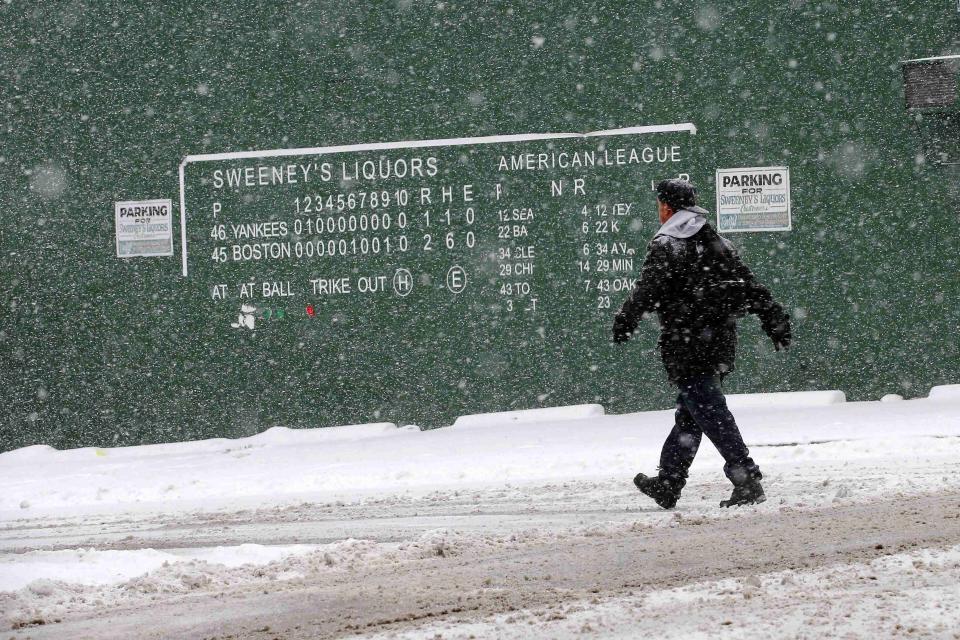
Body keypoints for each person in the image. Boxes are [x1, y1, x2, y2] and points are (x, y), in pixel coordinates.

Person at [612, 178, 791, 509]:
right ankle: (668, 481)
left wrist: (627, 318)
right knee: (691, 414)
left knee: (709, 411)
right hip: (719, 341)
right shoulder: (717, 242)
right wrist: (773, 318)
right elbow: (749, 286)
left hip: (687, 343)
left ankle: (746, 478)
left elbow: (648, 289)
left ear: (666, 207)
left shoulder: (668, 243)